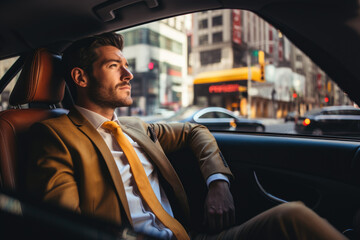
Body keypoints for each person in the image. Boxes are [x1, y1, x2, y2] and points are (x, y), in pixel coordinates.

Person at [27, 32, 347, 240]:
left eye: (127, 65)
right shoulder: (54, 136)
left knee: (293, 216)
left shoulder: (135, 127)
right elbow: (64, 227)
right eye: (115, 66)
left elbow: (196, 131)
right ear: (80, 77)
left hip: (191, 235)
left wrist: (217, 183)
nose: (129, 74)